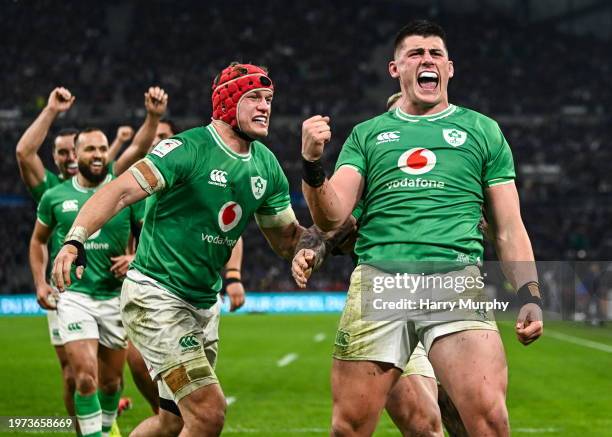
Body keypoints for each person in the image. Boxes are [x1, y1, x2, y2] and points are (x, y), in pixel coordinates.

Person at [300, 20, 543, 436]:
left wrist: (529, 295)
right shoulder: (368, 135)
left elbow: (509, 227)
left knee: (489, 420)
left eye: (435, 54)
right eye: (415, 53)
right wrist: (311, 164)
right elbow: (332, 217)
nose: (426, 60)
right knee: (350, 427)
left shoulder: (483, 130)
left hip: (455, 280)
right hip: (380, 283)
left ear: (449, 68)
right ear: (396, 69)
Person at [52, 62, 305, 437]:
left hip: (204, 305)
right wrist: (75, 239)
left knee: (173, 421)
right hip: (157, 297)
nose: (265, 107)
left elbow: (286, 239)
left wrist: (313, 242)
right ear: (227, 102)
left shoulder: (267, 166)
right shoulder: (186, 149)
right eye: (254, 98)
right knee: (208, 414)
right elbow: (120, 190)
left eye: (269, 99)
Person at [291, 91, 466, 437]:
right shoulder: (372, 186)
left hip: (448, 299)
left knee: (465, 418)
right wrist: (310, 251)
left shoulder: (452, 183)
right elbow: (335, 225)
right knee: (425, 424)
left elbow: (495, 223)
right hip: (391, 304)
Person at [17, 86, 167, 433]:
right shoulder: (54, 193)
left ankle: (103, 427)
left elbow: (138, 150)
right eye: (91, 149)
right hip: (73, 296)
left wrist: (136, 257)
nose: (98, 154)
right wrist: (40, 281)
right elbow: (37, 239)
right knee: (82, 377)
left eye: (103, 148)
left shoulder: (120, 188)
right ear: (75, 156)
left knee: (111, 384)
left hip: (115, 297)